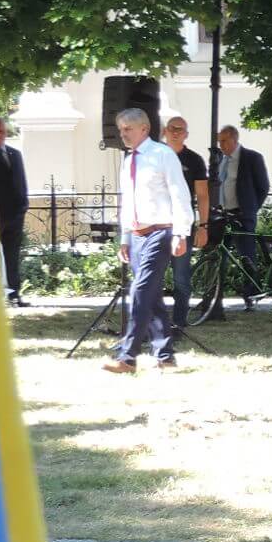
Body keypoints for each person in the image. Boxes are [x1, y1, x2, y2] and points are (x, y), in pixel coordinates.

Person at [106, 108, 193, 373]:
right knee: (152, 296)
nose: (123, 134)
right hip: (136, 236)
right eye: (121, 130)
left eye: (128, 129)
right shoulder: (128, 160)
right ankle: (165, 356)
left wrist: (181, 232)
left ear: (144, 128)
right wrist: (125, 237)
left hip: (160, 232)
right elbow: (127, 201)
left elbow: (180, 194)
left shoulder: (162, 154)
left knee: (140, 291)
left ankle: (127, 357)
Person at [162, 116, 212, 327]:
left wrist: (203, 226)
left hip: (182, 225)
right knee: (152, 278)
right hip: (157, 224)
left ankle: (179, 324)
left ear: (186, 135)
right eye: (172, 128)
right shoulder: (156, 156)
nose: (175, 132)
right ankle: (154, 325)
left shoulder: (194, 160)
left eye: (180, 129)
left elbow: (202, 195)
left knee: (181, 279)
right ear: (164, 131)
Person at [214, 124, 271, 297]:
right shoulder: (220, 160)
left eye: (224, 141)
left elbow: (263, 187)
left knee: (246, 256)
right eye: (219, 141)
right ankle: (214, 295)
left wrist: (250, 209)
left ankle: (251, 293)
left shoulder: (252, 158)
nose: (221, 145)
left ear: (234, 139)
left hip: (242, 215)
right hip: (222, 214)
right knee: (219, 255)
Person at [0, 116, 30, 307]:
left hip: (14, 216)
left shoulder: (14, 154)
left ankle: (14, 295)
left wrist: (23, 206)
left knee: (13, 256)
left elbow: (21, 182)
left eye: (1, 131)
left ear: (6, 132)